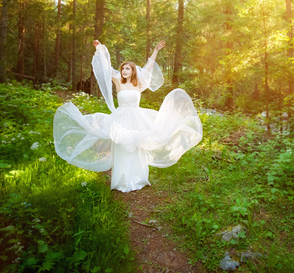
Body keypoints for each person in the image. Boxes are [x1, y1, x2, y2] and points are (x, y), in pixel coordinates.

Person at [53, 40, 203, 192]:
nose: (124, 71)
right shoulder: (118, 81)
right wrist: (99, 49)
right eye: (123, 68)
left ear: (133, 71)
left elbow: (149, 66)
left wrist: (156, 50)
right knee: (122, 147)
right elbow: (106, 68)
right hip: (121, 118)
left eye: (127, 69)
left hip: (137, 118)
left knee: (138, 146)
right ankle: (121, 180)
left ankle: (139, 178)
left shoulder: (139, 83)